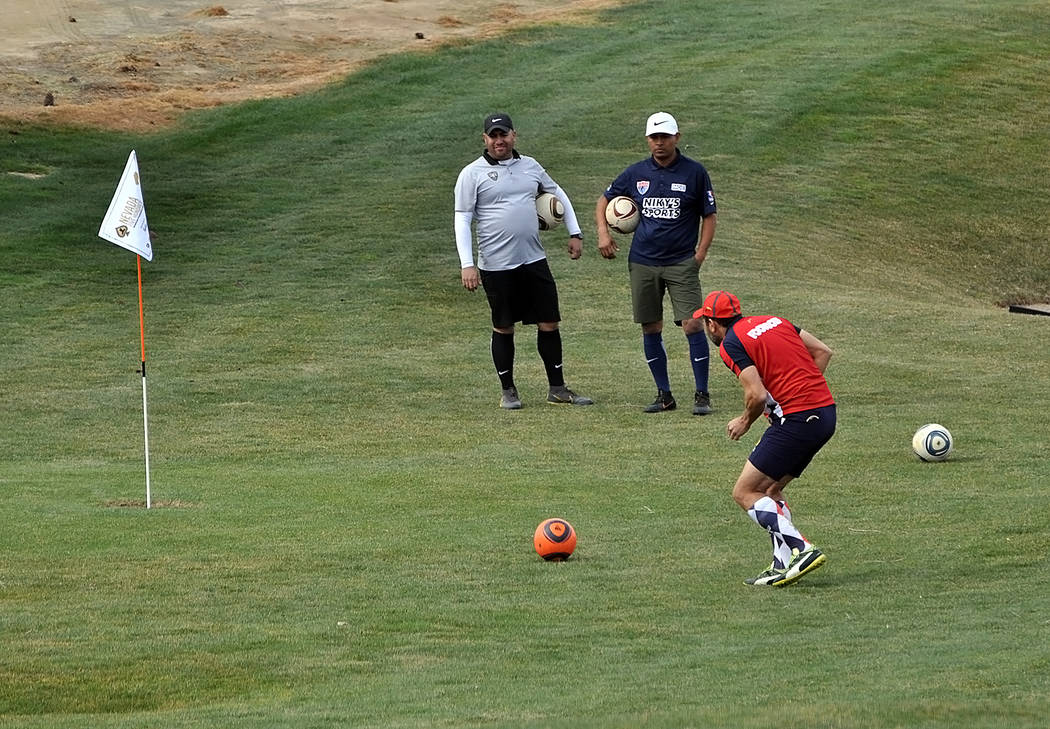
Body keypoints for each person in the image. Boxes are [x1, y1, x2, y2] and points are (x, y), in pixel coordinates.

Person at [694, 290, 835, 587]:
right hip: (824, 414)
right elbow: (823, 351)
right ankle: (781, 563)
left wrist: (744, 421)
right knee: (769, 490)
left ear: (711, 324)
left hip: (796, 420)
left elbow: (756, 395)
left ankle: (802, 549)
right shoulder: (776, 321)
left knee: (744, 493)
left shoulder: (731, 343)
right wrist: (806, 391)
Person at [454, 112, 594, 409]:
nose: (499, 140)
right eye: (493, 136)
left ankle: (557, 388)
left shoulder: (530, 166)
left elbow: (557, 193)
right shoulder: (472, 173)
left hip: (533, 259)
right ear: (485, 139)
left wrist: (575, 232)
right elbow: (462, 218)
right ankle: (508, 390)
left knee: (549, 322)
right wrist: (467, 263)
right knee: (504, 326)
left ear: (513, 135)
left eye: (503, 134)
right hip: (495, 265)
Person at [595, 111, 717, 415]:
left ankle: (702, 393)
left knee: (692, 324)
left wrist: (700, 254)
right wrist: (602, 234)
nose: (659, 143)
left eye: (665, 137)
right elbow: (603, 200)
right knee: (651, 327)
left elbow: (709, 216)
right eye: (654, 137)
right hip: (643, 262)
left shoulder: (695, 173)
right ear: (648, 140)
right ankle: (664, 395)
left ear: (677, 137)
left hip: (681, 262)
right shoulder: (636, 173)